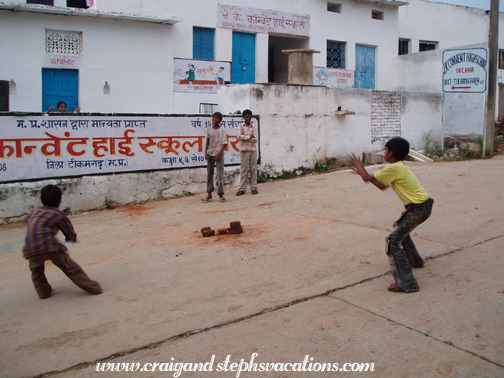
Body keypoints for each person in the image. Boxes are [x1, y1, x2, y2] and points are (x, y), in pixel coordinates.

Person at [348, 137, 433, 293]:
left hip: (418, 208)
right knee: (399, 229)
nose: (384, 153)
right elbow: (381, 185)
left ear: (391, 153)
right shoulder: (399, 167)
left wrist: (360, 166)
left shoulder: (394, 168)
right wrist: (362, 171)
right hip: (422, 206)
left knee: (393, 240)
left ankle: (407, 283)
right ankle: (415, 260)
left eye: (386, 150)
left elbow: (368, 178)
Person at [22, 185, 102, 299]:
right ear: (59, 202)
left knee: (36, 271)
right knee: (70, 268)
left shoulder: (34, 212)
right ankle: (94, 288)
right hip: (50, 246)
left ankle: (43, 292)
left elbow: (27, 220)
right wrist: (71, 239)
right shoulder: (58, 214)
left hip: (30, 249)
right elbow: (68, 231)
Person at [202, 112, 228, 203]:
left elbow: (224, 144)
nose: (214, 119)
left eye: (217, 118)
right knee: (210, 174)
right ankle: (209, 193)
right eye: (213, 117)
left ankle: (221, 194)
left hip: (219, 154)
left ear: (220, 120)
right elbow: (207, 141)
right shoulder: (209, 129)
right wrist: (205, 152)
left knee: (219, 174)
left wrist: (219, 154)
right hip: (210, 153)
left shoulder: (222, 130)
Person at [236, 109, 259, 196]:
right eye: (246, 117)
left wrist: (245, 137)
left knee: (253, 169)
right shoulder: (240, 126)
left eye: (249, 117)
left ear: (251, 117)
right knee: (244, 170)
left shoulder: (253, 128)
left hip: (252, 150)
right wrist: (249, 136)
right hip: (244, 150)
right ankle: (242, 188)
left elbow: (255, 139)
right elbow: (239, 136)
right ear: (243, 117)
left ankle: (254, 187)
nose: (248, 118)